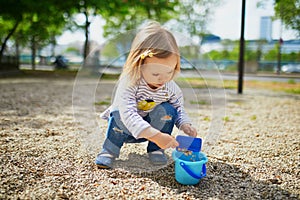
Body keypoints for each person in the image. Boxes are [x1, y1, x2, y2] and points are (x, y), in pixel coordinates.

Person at [95, 21, 197, 169]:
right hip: (124, 129)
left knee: (169, 110)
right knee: (118, 112)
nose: (163, 79)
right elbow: (128, 114)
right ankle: (109, 150)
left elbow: (179, 108)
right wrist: (156, 136)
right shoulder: (130, 83)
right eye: (155, 73)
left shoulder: (170, 88)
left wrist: (185, 125)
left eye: (169, 71)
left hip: (153, 128)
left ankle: (156, 149)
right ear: (139, 65)